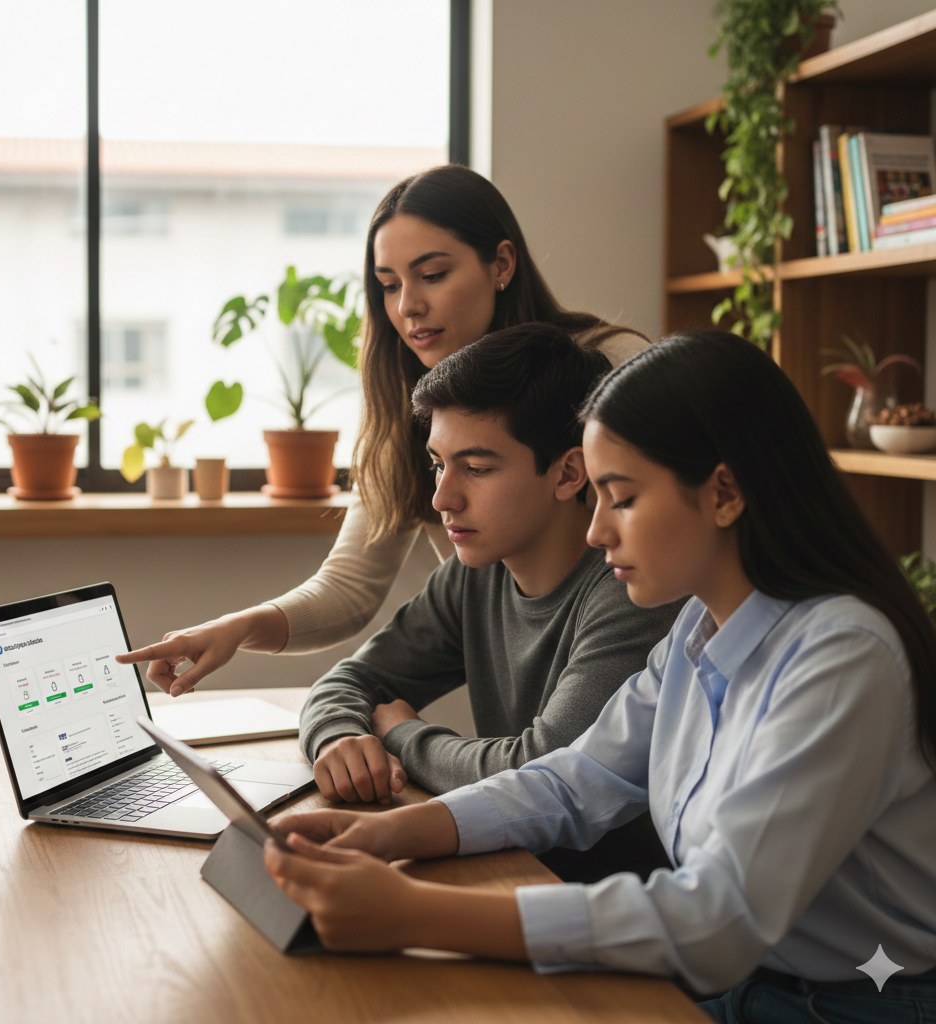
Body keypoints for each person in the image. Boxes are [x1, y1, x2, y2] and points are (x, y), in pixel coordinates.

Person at [263, 330, 936, 1022]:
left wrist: (415, 914)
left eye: (621, 497)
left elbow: (717, 920)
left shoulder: (842, 657)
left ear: (724, 492)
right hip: (755, 989)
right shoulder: (700, 634)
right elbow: (574, 781)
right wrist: (392, 834)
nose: (596, 532)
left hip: (865, 1005)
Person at [117, 165, 647, 696]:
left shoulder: (613, 368)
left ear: (501, 264)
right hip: (521, 698)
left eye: (433, 275)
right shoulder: (406, 407)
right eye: (388, 285)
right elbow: (349, 588)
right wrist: (237, 628)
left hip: (628, 664)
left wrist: (401, 735)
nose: (407, 306)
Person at [300, 323, 682, 821]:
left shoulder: (631, 589)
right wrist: (342, 736)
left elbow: (539, 772)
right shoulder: (478, 573)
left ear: (569, 473)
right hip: (504, 857)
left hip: (590, 888)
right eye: (439, 464)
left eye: (476, 468)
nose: (442, 498)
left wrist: (401, 734)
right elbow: (351, 679)